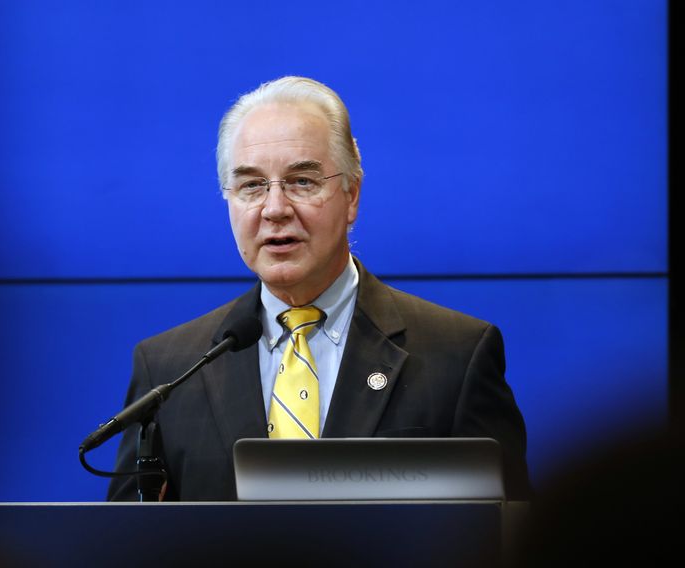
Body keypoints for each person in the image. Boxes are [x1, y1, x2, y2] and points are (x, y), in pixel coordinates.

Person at [107, 76, 531, 501]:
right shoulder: (167, 369)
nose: (274, 209)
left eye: (302, 182)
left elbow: (510, 536)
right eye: (252, 185)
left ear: (351, 196)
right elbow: (128, 543)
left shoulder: (456, 355)